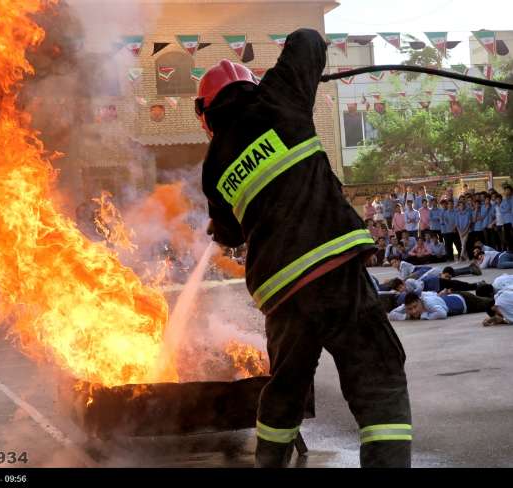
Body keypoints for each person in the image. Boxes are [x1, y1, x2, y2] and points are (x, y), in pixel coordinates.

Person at [197, 29, 410, 468]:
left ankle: (270, 463)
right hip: (331, 269)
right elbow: (310, 39)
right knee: (378, 376)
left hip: (281, 292)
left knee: (286, 389)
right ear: (250, 85)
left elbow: (230, 235)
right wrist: (300, 76)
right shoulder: (279, 97)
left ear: (207, 114)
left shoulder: (213, 166)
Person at [388, 290, 493, 321]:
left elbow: (442, 314)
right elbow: (391, 314)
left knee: (493, 303)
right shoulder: (407, 307)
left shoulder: (428, 303)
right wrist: (406, 316)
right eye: (410, 309)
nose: (414, 311)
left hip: (467, 301)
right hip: (459, 299)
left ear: (420, 300)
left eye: (415, 307)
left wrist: (423, 316)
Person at [502, 185, 513, 251]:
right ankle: (510, 251)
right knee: (508, 238)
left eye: (508, 190)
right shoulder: (503, 200)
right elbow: (501, 210)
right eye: (505, 190)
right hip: (506, 222)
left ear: (511, 191)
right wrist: (506, 210)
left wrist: (506, 210)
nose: (506, 192)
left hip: (512, 220)